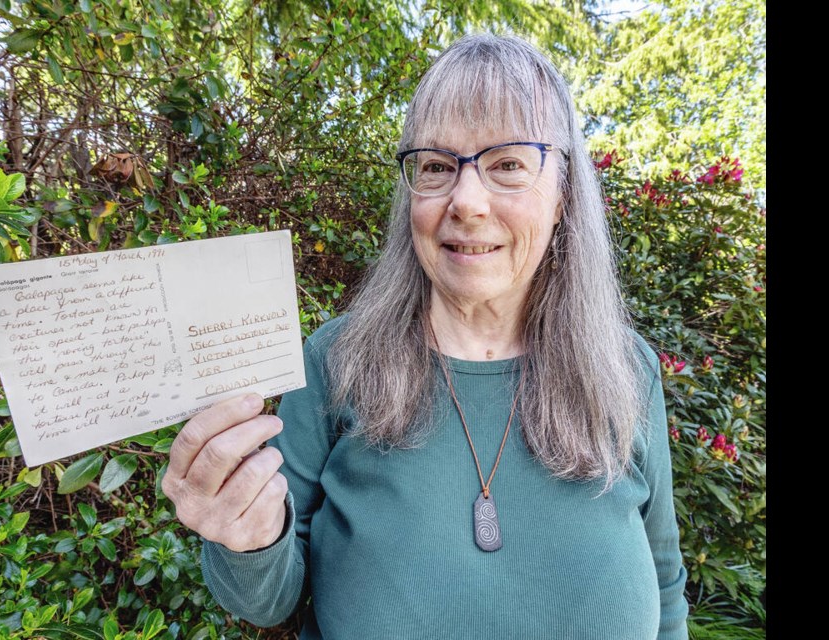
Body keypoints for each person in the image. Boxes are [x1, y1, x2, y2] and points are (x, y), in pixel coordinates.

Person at [162, 33, 689, 639]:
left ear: (564, 192)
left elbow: (664, 580)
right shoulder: (335, 361)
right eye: (437, 166)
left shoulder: (626, 368)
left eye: (508, 164)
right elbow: (269, 601)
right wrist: (246, 538)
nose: (466, 200)